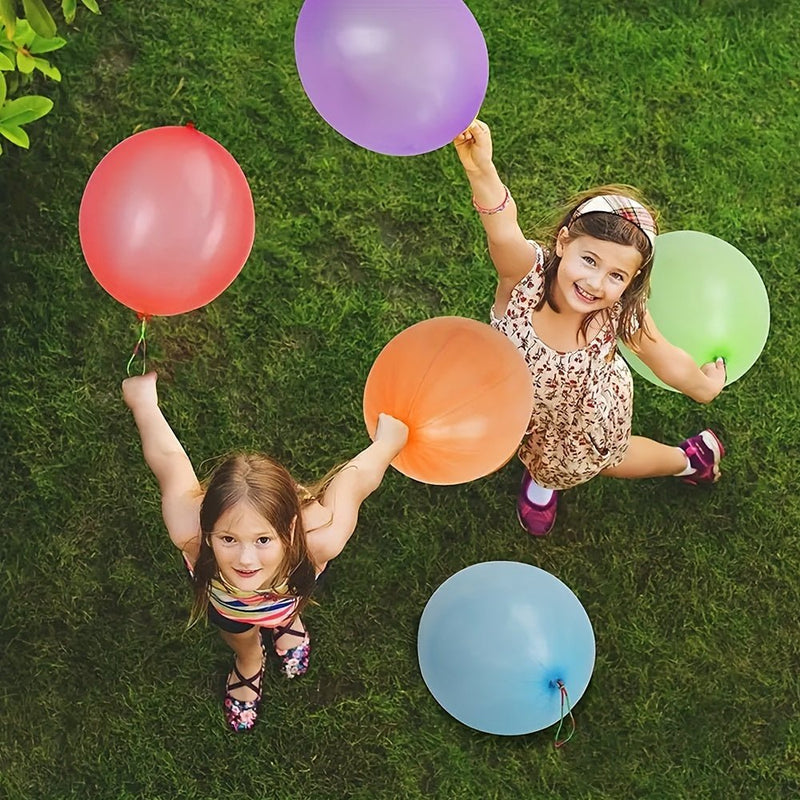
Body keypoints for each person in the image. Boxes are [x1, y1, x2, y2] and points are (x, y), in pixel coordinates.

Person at [452, 120, 727, 536]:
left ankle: (689, 459)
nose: (597, 283)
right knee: (512, 441)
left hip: (580, 420)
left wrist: (702, 387)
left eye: (618, 276)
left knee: (604, 459)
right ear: (563, 243)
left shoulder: (619, 314)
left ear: (631, 283)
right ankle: (544, 474)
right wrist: (480, 170)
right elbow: (502, 226)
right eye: (590, 260)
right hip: (508, 397)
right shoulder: (523, 278)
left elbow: (663, 357)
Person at [122, 371, 408, 732]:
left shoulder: (320, 540)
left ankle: (286, 622)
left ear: (290, 528)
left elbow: (354, 482)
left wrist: (387, 443)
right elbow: (168, 462)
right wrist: (143, 402)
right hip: (227, 607)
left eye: (263, 540)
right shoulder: (188, 532)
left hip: (291, 592)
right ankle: (249, 659)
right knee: (238, 631)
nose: (245, 560)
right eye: (228, 539)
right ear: (207, 529)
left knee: (289, 606)